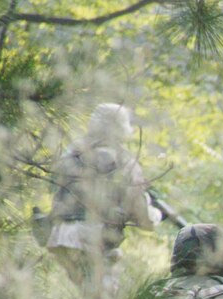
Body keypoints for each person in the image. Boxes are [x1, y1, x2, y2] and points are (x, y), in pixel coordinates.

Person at [46, 103, 159, 287]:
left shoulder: (72, 153)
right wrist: (156, 215)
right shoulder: (123, 160)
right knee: (105, 296)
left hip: (61, 237)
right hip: (94, 237)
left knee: (79, 291)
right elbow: (141, 214)